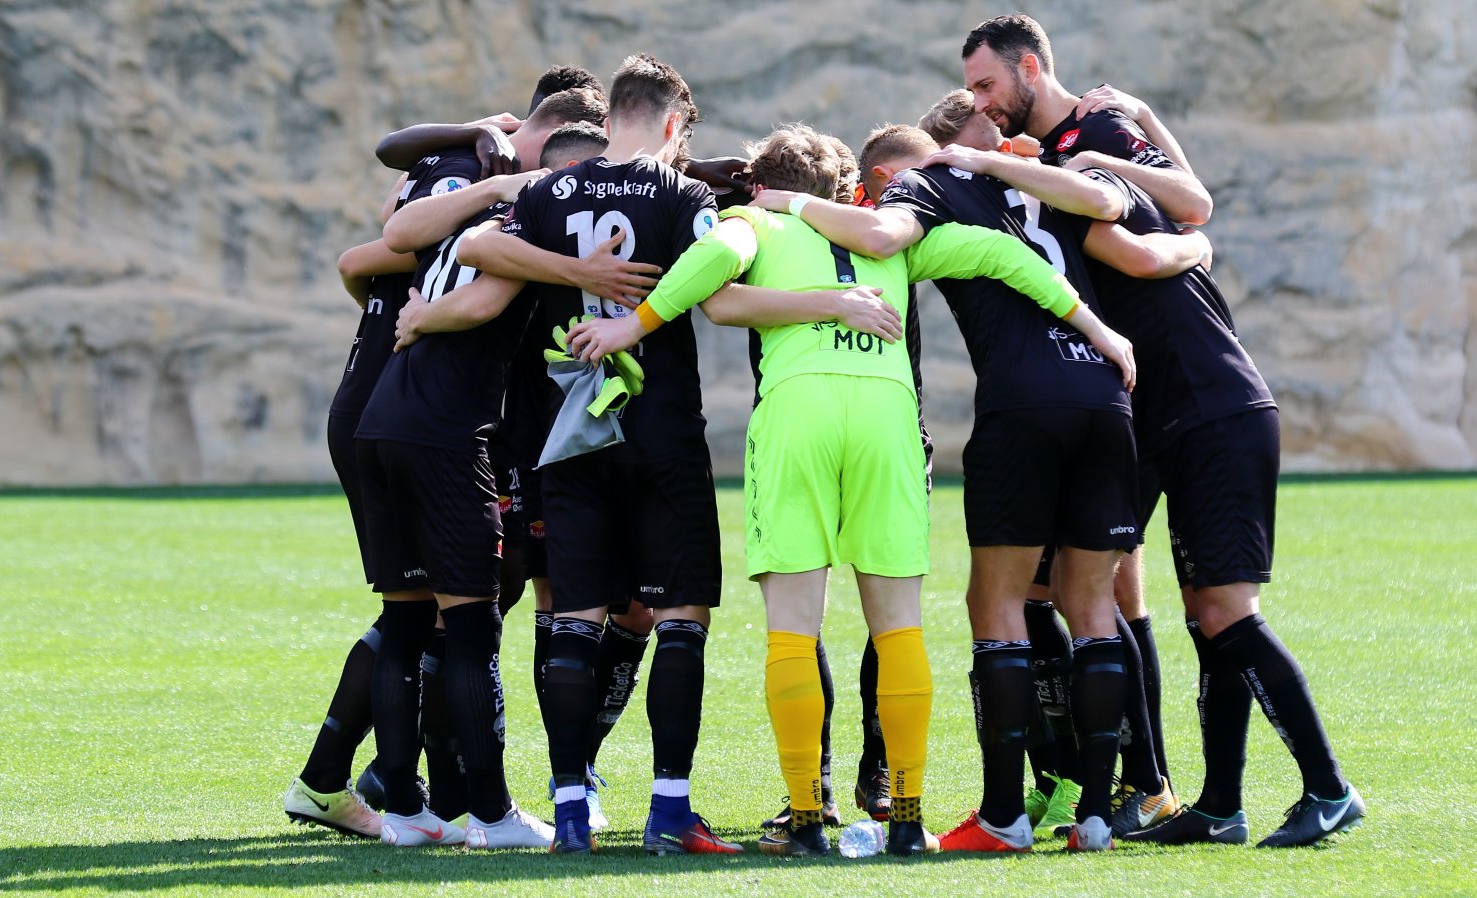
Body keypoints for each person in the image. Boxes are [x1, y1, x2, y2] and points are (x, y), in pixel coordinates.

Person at [568, 123, 1132, 857]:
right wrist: (1099, 330)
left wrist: (632, 327)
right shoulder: (889, 241)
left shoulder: (754, 221)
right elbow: (1004, 255)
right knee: (897, 625)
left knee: (793, 626)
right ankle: (907, 821)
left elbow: (713, 263)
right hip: (886, 418)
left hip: (799, 412)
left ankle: (807, 820)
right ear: (843, 191)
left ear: (765, 185)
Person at [961, 15, 1363, 847]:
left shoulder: (1090, 138)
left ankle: (1328, 788)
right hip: (1157, 414)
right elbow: (1177, 227)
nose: (982, 104)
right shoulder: (1050, 166)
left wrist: (1138, 149)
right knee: (1175, 606)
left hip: (1212, 405)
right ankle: (1211, 804)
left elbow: (1184, 216)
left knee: (1223, 609)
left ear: (1029, 68)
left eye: (987, 85)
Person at [748, 120, 1206, 852]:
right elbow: (1089, 237)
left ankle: (993, 816)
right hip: (1098, 395)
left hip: (999, 404)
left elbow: (720, 291)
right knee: (1092, 604)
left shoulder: (906, 199)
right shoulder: (1040, 182)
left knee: (989, 605)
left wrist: (781, 209)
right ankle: (1100, 809)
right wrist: (1111, 322)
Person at [449, 54, 740, 857]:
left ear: (608, 120)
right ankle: (669, 812)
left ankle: (571, 812)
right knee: (680, 616)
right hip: (661, 427)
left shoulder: (546, 193)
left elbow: (477, 248)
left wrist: (571, 273)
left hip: (571, 431)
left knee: (574, 617)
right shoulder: (684, 194)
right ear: (674, 124)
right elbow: (718, 297)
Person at [352, 88, 605, 851]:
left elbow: (398, 233)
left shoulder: (469, 205)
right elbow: (482, 295)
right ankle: (493, 816)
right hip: (444, 435)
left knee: (406, 622)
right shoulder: (526, 214)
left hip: (383, 423)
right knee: (471, 627)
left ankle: (405, 812)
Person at [281, 172, 418, 839]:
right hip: (401, 422)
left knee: (442, 605)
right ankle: (394, 790)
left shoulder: (461, 183)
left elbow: (358, 258)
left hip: (391, 415)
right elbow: (363, 254)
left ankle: (366, 778)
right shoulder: (485, 191)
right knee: (428, 608)